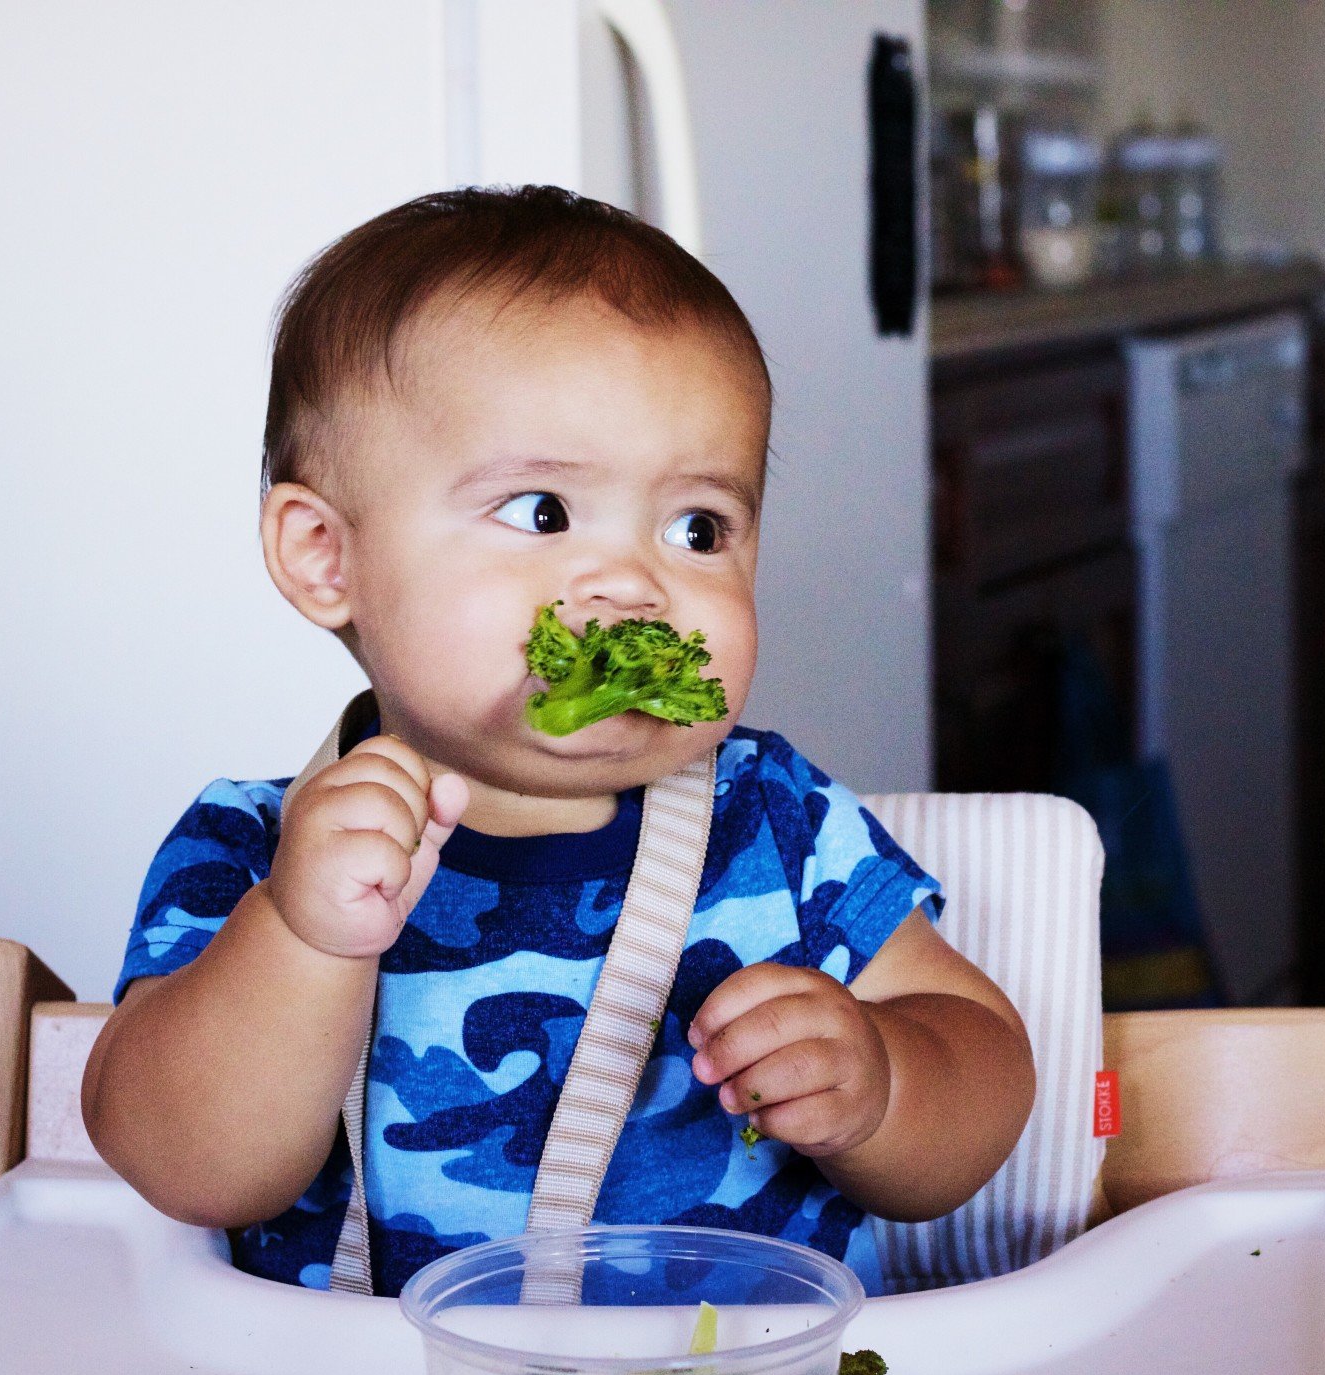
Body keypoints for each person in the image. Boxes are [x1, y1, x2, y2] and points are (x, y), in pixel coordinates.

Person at [81, 186, 1035, 1298]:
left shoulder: (781, 822)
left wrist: (884, 1083)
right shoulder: (252, 845)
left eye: (699, 528)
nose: (635, 583)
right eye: (540, 510)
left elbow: (988, 1068)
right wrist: (300, 935)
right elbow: (186, 1167)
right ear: (325, 555)